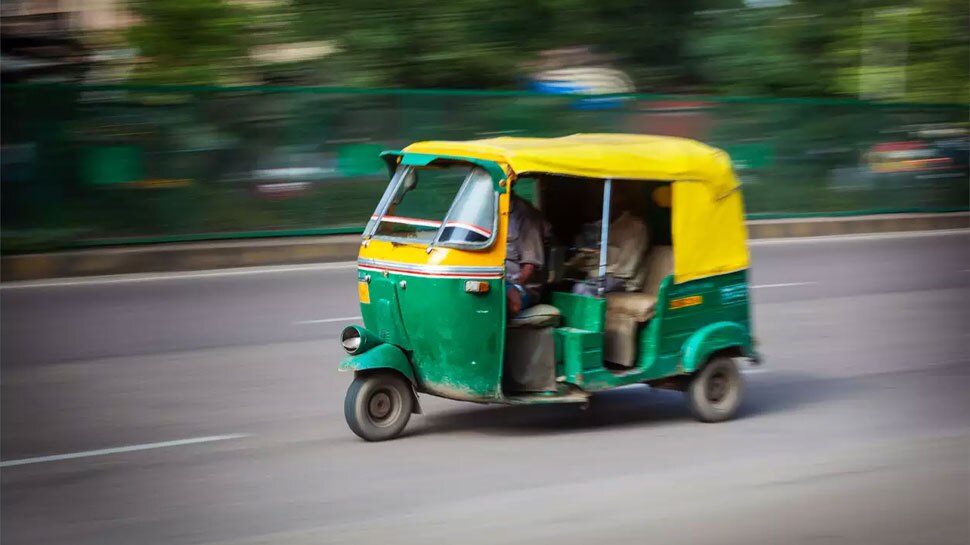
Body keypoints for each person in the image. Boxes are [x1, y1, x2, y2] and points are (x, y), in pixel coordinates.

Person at [568, 204, 649, 297]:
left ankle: (594, 311)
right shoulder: (601, 225)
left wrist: (594, 271)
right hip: (602, 276)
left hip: (624, 281)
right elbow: (594, 258)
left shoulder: (635, 227)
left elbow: (626, 270)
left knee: (581, 288)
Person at [506, 193, 546, 317]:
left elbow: (529, 269)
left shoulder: (525, 215)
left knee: (495, 301)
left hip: (521, 286)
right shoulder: (488, 211)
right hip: (496, 281)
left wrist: (512, 286)